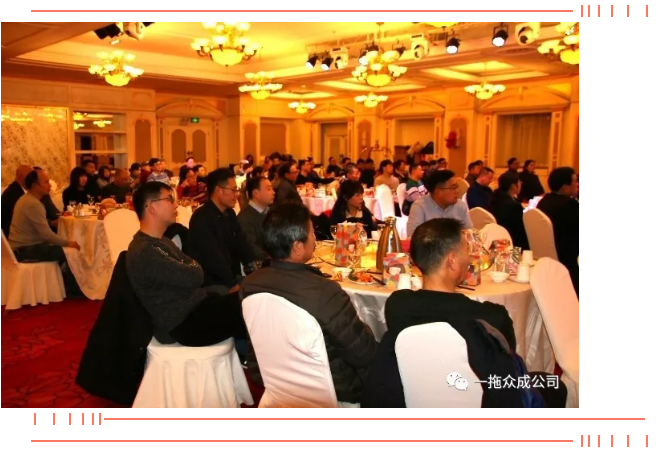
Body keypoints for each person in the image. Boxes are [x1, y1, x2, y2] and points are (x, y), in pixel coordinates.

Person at [362, 218, 566, 408]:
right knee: (555, 386)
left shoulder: (397, 305)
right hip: (480, 403)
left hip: (414, 401)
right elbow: (507, 364)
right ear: (452, 261)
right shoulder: (491, 318)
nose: (470, 257)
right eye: (466, 250)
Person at [242, 203, 377, 404]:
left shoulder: (249, 284)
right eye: (312, 233)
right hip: (333, 389)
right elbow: (363, 353)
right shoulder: (325, 292)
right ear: (298, 247)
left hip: (276, 380)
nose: (315, 238)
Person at [126, 182, 247, 346]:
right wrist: (192, 267)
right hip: (184, 324)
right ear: (152, 207)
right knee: (252, 305)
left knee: (251, 298)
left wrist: (191, 267)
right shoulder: (145, 250)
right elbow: (195, 275)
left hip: (196, 308)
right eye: (169, 199)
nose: (176, 204)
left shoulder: (161, 242)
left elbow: (193, 268)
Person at [187, 168, 258, 295]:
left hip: (232, 277)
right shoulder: (201, 218)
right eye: (233, 190)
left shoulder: (229, 213)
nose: (237, 194)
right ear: (219, 190)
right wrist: (232, 283)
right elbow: (212, 257)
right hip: (211, 282)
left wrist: (255, 269)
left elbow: (242, 243)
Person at [8, 170, 80, 261]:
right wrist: (68, 243)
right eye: (46, 182)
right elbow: (46, 235)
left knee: (63, 249)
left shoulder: (25, 199)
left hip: (20, 248)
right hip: (25, 250)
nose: (50, 185)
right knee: (71, 252)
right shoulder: (34, 204)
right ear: (35, 186)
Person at [537, 167, 579, 295]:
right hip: (567, 261)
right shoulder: (570, 206)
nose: (578, 184)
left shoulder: (543, 202)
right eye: (575, 181)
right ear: (565, 187)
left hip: (546, 259)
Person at [407, 169, 473, 237]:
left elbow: (469, 233)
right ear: (439, 191)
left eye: (457, 187)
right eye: (453, 187)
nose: (457, 191)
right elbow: (412, 236)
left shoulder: (460, 205)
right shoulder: (420, 207)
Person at [237, 175, 275, 261]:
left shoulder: (271, 212)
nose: (273, 192)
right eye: (269, 189)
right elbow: (251, 247)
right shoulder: (245, 218)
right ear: (256, 193)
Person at [489, 171, 529, 250]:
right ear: (513, 186)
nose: (521, 183)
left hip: (494, 241)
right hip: (511, 244)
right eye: (519, 182)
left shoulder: (494, 199)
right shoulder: (513, 206)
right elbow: (520, 234)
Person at [2, 165, 34, 238]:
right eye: (31, 176)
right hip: (13, 236)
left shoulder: (17, 190)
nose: (33, 180)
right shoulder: (13, 193)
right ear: (22, 176)